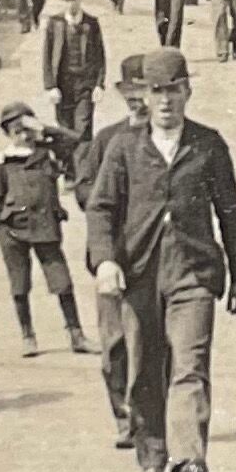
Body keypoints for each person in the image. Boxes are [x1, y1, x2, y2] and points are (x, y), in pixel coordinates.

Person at [85, 47, 236, 472]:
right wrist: (105, 260)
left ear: (187, 92)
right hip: (138, 272)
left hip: (192, 271)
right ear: (144, 95)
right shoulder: (124, 147)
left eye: (174, 90)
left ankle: (189, 458)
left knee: (190, 364)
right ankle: (154, 454)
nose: (165, 100)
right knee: (143, 368)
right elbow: (101, 208)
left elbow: (230, 211)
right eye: (157, 91)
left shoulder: (208, 144)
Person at [76, 53, 151, 446]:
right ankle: (124, 417)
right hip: (113, 257)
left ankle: (150, 418)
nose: (137, 100)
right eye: (130, 93)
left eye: (144, 91)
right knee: (114, 345)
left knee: (153, 344)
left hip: (152, 258)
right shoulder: (106, 139)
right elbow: (84, 190)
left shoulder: (165, 139)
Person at [0, 104, 88, 356]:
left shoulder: (47, 154)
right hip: (13, 231)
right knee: (20, 285)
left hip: (45, 227)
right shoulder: (5, 162)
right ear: (8, 135)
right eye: (17, 132)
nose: (24, 136)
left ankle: (76, 335)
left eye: (27, 130)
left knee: (62, 282)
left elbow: (76, 141)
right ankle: (27, 335)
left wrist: (43, 128)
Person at [42, 0, 107, 147]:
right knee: (64, 129)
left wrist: (99, 84)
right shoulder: (55, 23)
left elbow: (100, 56)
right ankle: (69, 161)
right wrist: (50, 86)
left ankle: (84, 160)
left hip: (85, 85)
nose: (71, 4)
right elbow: (47, 57)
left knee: (83, 128)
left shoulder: (91, 23)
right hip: (62, 85)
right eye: (68, 0)